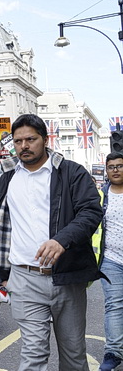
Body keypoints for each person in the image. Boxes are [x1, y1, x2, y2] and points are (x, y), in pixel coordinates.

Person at [0, 114, 103, 371]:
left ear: (45, 139)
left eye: (31, 139)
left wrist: (61, 241)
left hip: (66, 276)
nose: (24, 146)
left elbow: (91, 212)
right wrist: (3, 275)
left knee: (74, 355)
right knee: (33, 355)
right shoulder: (8, 177)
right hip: (24, 280)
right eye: (18, 141)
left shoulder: (70, 172)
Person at [98, 152, 123, 371]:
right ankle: (113, 353)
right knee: (114, 305)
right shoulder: (101, 195)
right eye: (111, 167)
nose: (115, 170)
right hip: (111, 260)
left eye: (120, 166)